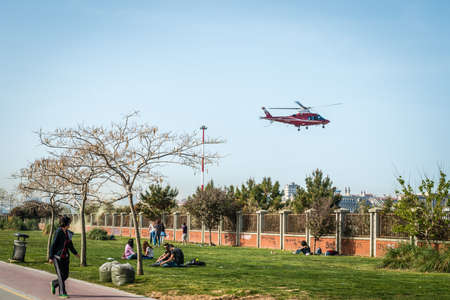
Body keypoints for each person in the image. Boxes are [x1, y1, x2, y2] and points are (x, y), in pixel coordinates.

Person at [49, 215, 80, 299]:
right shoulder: (58, 232)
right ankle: (62, 293)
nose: (70, 224)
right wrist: (51, 257)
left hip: (65, 257)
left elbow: (70, 245)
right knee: (60, 275)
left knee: (65, 275)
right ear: (66, 223)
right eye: (69, 223)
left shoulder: (68, 233)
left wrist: (76, 253)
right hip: (57, 257)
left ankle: (54, 283)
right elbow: (53, 245)